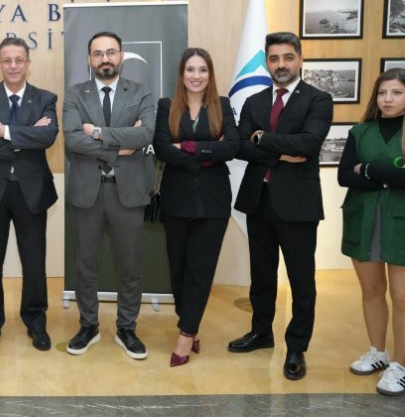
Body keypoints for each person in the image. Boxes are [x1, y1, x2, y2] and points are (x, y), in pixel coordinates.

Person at [228, 32, 332, 381]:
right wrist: (281, 153)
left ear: (299, 59)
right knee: (261, 275)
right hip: (259, 200)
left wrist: (262, 138)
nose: (281, 64)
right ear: (267, 62)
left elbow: (309, 144)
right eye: (274, 58)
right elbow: (240, 146)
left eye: (288, 57)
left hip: (298, 205)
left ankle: (297, 347)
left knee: (301, 280)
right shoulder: (255, 100)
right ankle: (261, 332)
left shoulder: (318, 100)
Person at [63, 31, 155, 360]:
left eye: (111, 52)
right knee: (85, 266)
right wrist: (121, 146)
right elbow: (73, 139)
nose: (105, 59)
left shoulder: (140, 92)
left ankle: (126, 328)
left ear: (121, 56)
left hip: (127, 193)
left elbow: (146, 134)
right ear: (89, 59)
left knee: (129, 266)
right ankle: (88, 325)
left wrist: (99, 133)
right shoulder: (75, 94)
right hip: (87, 193)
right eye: (98, 53)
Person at [0, 37, 58, 352]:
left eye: (19, 60)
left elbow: (48, 136)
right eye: (7, 60)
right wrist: (27, 137)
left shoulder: (45, 98)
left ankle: (36, 322)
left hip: (32, 191)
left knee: (34, 264)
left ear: (28, 63)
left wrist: (5, 132)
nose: (14, 66)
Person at [152, 48, 239, 366]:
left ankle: (186, 335)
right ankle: (190, 322)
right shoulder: (167, 106)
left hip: (213, 203)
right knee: (178, 270)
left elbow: (232, 147)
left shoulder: (222, 105)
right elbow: (162, 148)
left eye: (203, 69)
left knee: (200, 270)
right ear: (182, 73)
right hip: (176, 200)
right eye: (190, 69)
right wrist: (208, 153)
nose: (196, 76)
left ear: (210, 74)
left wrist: (187, 146)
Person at [337, 68, 405, 396]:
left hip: (399, 222)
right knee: (371, 290)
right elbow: (343, 177)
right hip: (363, 219)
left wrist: (366, 170)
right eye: (382, 92)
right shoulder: (360, 131)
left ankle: (400, 366)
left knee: (402, 297)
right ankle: (378, 352)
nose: (388, 99)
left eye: (397, 92)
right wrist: (390, 177)